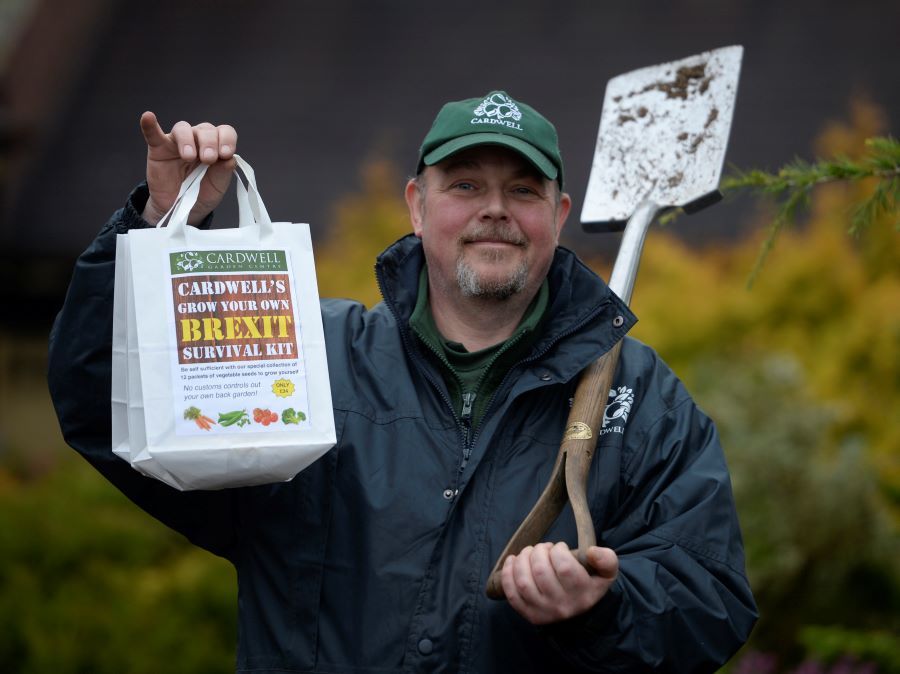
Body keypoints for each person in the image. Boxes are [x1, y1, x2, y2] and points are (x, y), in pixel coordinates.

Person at [48, 90, 757, 673]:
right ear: (417, 206)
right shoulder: (305, 359)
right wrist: (156, 225)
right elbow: (103, 401)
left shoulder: (641, 400)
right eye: (466, 185)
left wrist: (605, 607)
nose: (496, 209)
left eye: (523, 189)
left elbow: (713, 598)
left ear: (559, 215)